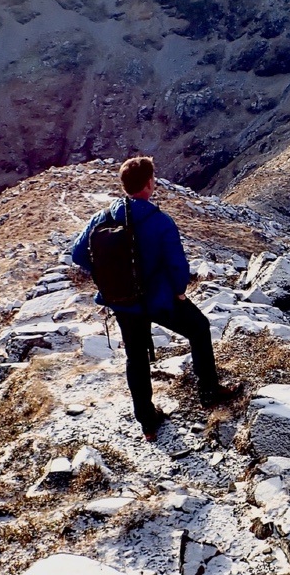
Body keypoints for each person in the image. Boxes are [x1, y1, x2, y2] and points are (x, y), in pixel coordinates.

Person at [71, 155, 241, 441]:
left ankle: (147, 423)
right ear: (149, 184)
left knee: (135, 357)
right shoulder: (160, 221)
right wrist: (179, 291)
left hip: (123, 301)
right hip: (159, 299)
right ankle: (209, 394)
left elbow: (78, 254)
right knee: (198, 328)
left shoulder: (103, 217)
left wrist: (109, 276)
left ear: (125, 185)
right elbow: (176, 264)